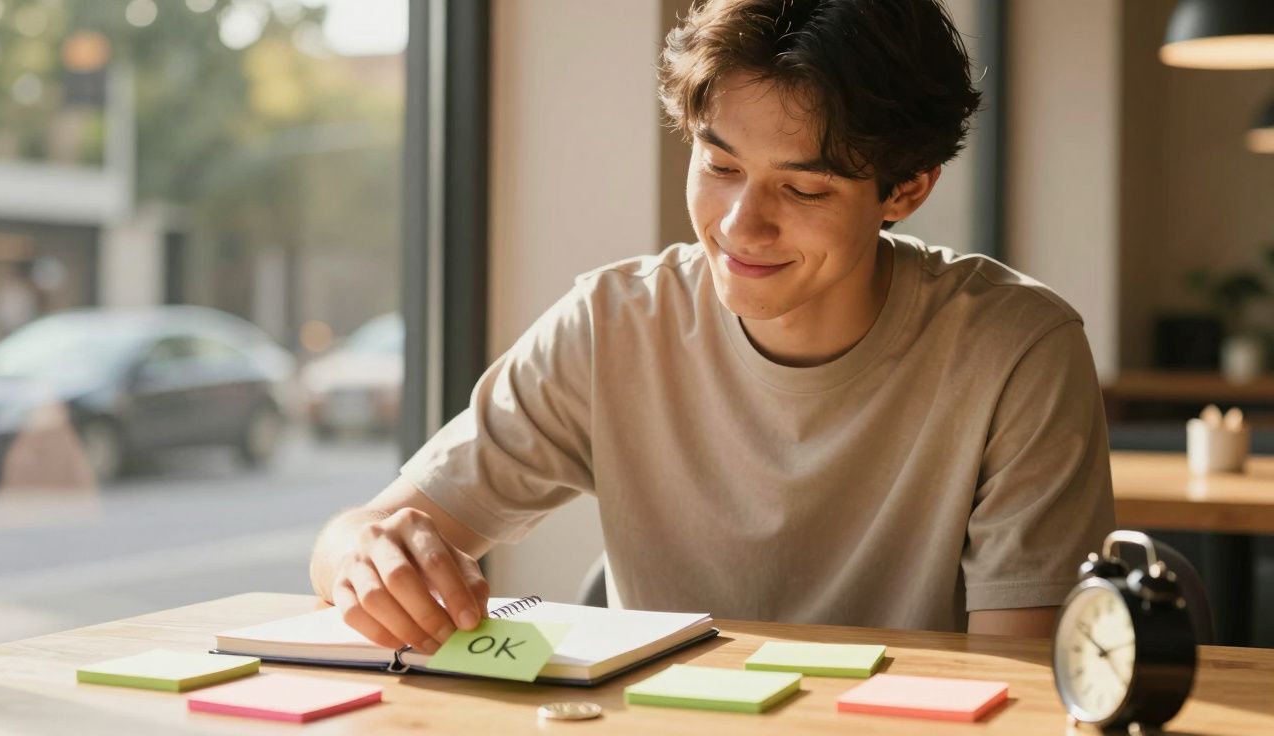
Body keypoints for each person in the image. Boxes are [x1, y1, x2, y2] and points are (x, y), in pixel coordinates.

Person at [309, 0, 1115, 654]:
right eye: (720, 165)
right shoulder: (613, 325)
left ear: (905, 191)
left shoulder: (1016, 349)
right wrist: (365, 556)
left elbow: (1024, 683)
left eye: (802, 190)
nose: (740, 226)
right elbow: (355, 534)